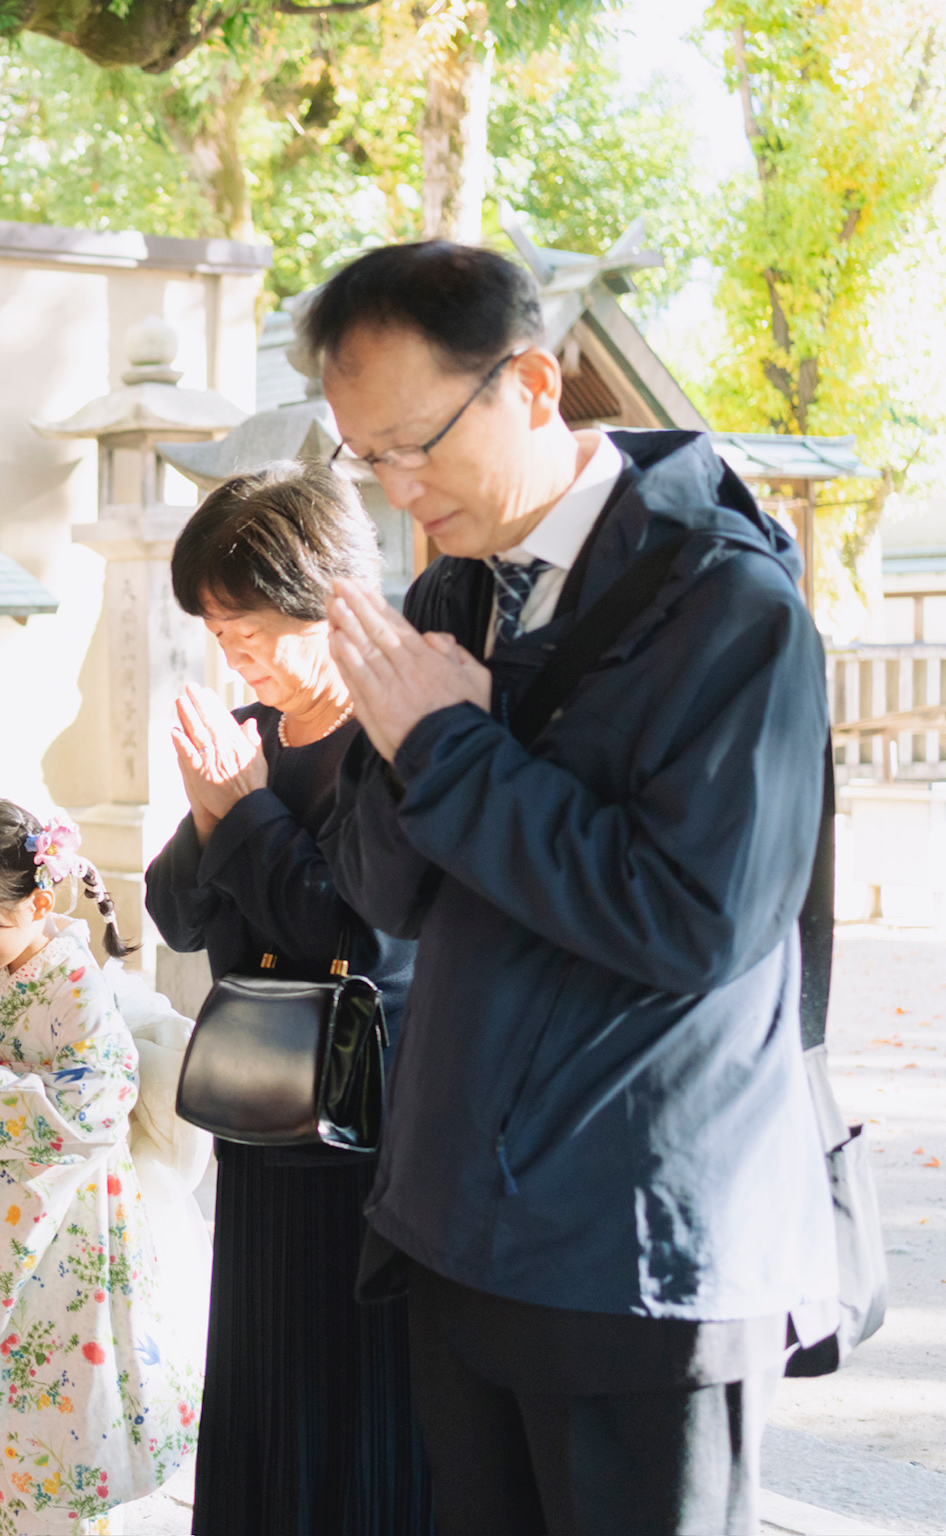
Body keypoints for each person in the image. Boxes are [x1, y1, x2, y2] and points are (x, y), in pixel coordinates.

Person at [305, 241, 835, 1535]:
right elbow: (384, 892)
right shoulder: (453, 591)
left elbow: (695, 919)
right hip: (461, 1224)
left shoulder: (729, 608)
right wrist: (384, 746)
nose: (396, 489)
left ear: (532, 383)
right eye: (364, 457)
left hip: (635, 1249)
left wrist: (449, 751)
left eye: (416, 444)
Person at [141, 461, 437, 1536]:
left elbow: (358, 935)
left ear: (327, 597)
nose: (237, 654)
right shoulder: (248, 731)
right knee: (261, 1376)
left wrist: (243, 823)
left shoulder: (392, 735)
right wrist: (215, 813)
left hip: (366, 1130)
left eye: (250, 625)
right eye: (220, 633)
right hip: (258, 1117)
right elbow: (174, 911)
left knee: (352, 1397)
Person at [0, 795, 202, 1536]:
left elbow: (94, 1113)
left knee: (65, 1416)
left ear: (39, 900)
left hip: (66, 1237)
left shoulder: (73, 984)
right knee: (0, 1407)